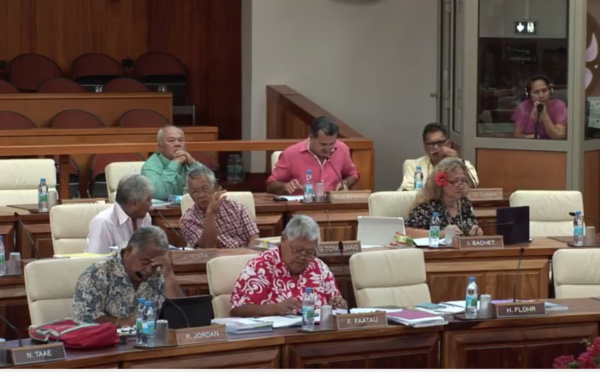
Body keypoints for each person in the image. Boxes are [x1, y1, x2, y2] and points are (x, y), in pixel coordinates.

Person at [230, 215, 347, 317]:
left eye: (309, 252)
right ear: (283, 240)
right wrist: (275, 308)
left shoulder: (319, 267)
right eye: (298, 250)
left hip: (316, 335)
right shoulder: (261, 266)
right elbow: (238, 309)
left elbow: (337, 302)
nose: (303, 257)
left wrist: (340, 305)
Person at [73, 226, 184, 325]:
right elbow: (83, 318)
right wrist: (124, 322)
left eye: (154, 265)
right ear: (129, 250)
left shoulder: (160, 273)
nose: (150, 270)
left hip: (153, 341)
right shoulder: (96, 274)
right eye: (145, 262)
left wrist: (169, 276)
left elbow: (182, 315)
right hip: (109, 344)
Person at [266, 116, 360, 195]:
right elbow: (271, 185)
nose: (328, 148)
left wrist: (345, 183)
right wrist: (285, 186)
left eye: (332, 143)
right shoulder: (291, 153)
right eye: (323, 144)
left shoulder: (342, 149)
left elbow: (353, 175)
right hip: (302, 208)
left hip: (333, 206)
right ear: (311, 138)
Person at [180, 165, 259, 248]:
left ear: (214, 186)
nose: (201, 195)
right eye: (195, 191)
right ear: (189, 193)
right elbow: (208, 246)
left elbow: (254, 236)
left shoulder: (235, 207)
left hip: (243, 256)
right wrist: (210, 213)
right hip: (215, 259)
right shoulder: (188, 220)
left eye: (205, 188)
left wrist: (249, 257)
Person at [405, 157, 482, 238]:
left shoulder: (464, 203)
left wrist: (477, 231)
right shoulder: (427, 205)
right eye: (455, 181)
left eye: (463, 180)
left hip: (462, 250)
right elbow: (407, 232)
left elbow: (473, 226)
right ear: (441, 182)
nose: (460, 185)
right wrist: (440, 234)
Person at [399, 123, 478, 191]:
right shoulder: (414, 165)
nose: (436, 147)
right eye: (431, 144)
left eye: (440, 143)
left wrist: (456, 162)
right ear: (424, 146)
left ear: (449, 144)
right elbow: (405, 191)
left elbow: (471, 188)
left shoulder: (464, 164)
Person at [85, 174, 153, 253]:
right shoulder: (103, 222)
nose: (151, 204)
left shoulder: (145, 217)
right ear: (134, 203)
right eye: (149, 200)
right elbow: (96, 261)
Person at [141, 125, 202, 200]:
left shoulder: (189, 161)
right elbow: (160, 195)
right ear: (160, 147)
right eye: (171, 140)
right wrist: (174, 163)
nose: (177, 144)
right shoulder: (150, 166)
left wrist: (193, 163)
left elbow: (210, 186)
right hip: (165, 210)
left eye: (181, 140)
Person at [512, 75, 567, 140]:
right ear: (529, 95)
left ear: (550, 91)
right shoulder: (523, 106)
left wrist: (544, 115)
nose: (541, 95)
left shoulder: (558, 105)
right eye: (536, 92)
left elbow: (558, 137)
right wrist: (527, 137)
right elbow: (516, 136)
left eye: (544, 90)